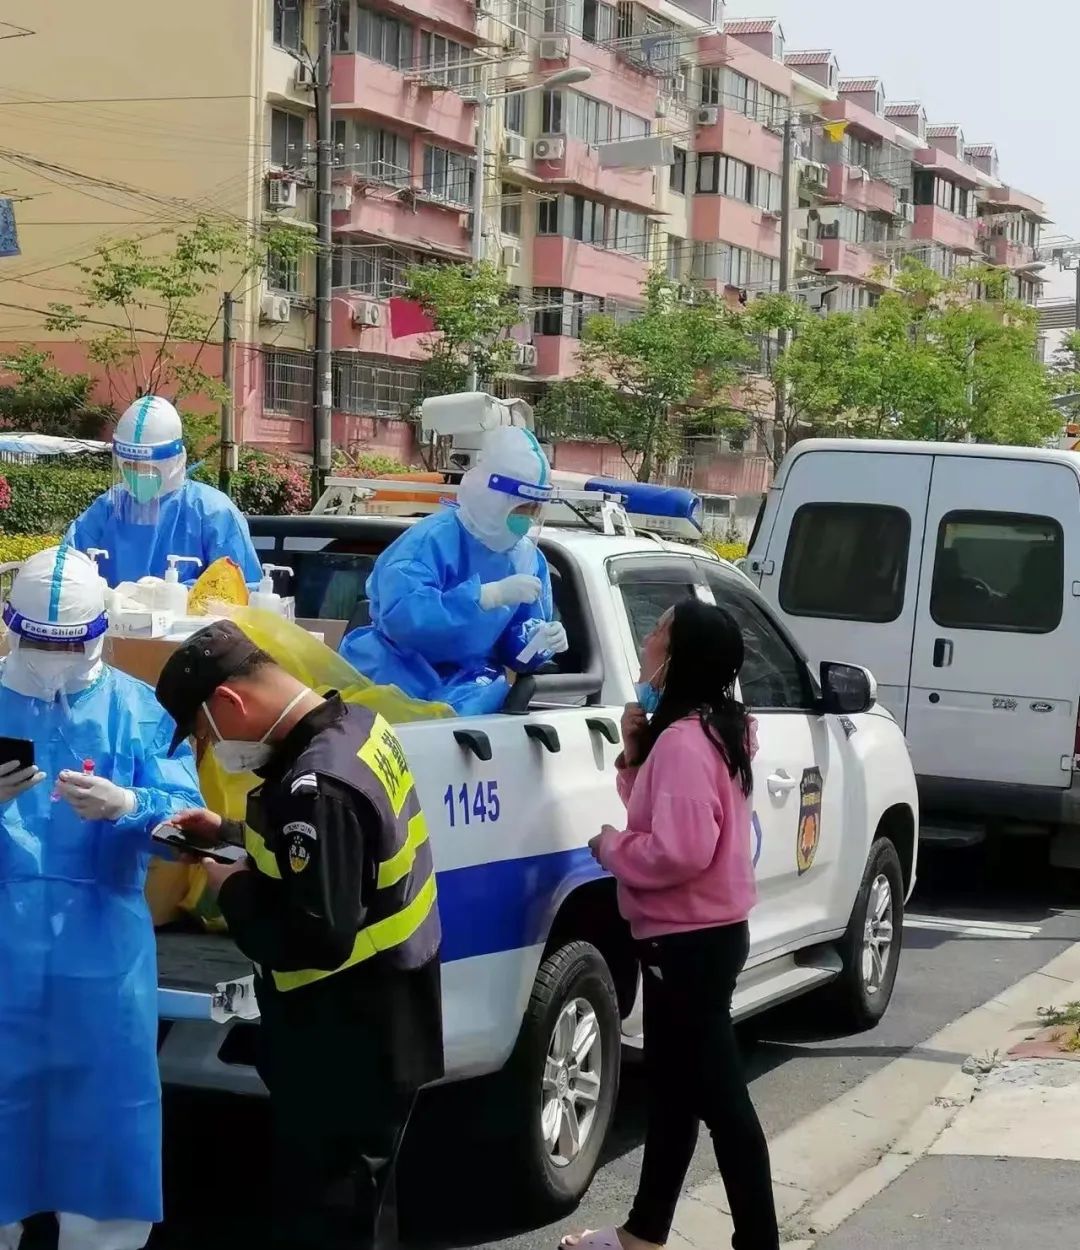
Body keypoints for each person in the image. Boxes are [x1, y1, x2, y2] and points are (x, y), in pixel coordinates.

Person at [154, 621, 443, 1250]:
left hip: (345, 1041)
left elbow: (316, 934)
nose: (212, 748)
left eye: (205, 732)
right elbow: (333, 861)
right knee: (365, 1213)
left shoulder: (319, 785)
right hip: (386, 1019)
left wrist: (230, 886)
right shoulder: (359, 728)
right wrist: (227, 833)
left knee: (333, 1220)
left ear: (230, 701)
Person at [0, 545, 203, 1250]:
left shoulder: (140, 711)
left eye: (68, 645)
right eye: (39, 644)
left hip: (104, 959)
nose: (53, 661)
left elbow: (190, 828)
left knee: (107, 1120)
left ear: (98, 635)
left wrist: (131, 805)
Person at [564, 600, 780, 1250]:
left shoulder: (687, 741)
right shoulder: (706, 731)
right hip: (696, 938)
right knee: (675, 1096)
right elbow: (670, 818)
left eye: (659, 632)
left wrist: (610, 849)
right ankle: (643, 1233)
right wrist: (634, 757)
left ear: (681, 656)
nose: (647, 642)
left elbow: (679, 852)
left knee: (721, 1104)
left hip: (688, 944)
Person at [339, 425, 568, 715]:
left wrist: (538, 642)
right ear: (492, 497)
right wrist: (483, 597)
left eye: (534, 510)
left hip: (467, 685)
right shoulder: (430, 541)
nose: (527, 519)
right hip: (393, 670)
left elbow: (515, 650)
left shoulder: (528, 559)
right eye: (522, 507)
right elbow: (404, 616)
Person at [65, 393, 262, 588]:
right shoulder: (108, 507)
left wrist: (178, 594)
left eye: (147, 468)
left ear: (173, 462)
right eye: (129, 466)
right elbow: (67, 566)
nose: (136, 475)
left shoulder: (214, 512)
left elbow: (241, 589)